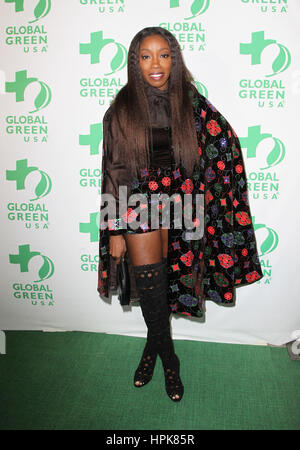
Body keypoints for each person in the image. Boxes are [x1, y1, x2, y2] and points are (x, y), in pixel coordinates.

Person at [97, 27, 263, 402]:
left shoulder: (190, 101)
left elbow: (224, 140)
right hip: (137, 203)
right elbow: (116, 171)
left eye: (163, 55)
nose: (155, 64)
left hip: (182, 203)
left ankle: (151, 349)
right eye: (146, 56)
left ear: (174, 59)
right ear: (135, 63)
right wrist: (116, 230)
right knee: (151, 286)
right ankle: (168, 359)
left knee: (173, 282)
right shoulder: (121, 109)